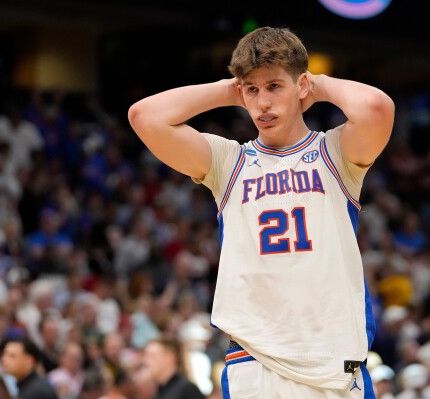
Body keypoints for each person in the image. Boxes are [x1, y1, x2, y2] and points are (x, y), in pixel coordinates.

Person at [129, 25, 394, 398]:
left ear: (300, 86)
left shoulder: (336, 154)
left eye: (274, 87)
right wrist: (231, 89)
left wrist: (315, 83)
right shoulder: (229, 162)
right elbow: (144, 116)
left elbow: (377, 108)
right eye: (252, 90)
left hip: (331, 360)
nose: (262, 103)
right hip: (256, 361)